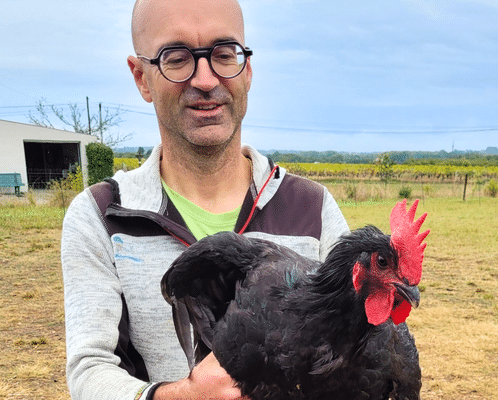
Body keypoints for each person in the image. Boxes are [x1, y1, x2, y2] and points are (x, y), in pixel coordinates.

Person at [60, 0, 349, 399]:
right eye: (176, 58)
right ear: (141, 77)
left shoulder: (312, 209)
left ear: (247, 69)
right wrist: (178, 397)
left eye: (223, 54)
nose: (206, 79)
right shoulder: (100, 216)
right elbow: (90, 370)